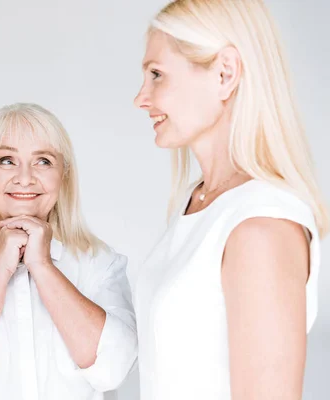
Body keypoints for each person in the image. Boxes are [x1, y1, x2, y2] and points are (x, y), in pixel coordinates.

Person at [132, 1, 329, 399]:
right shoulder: (202, 202)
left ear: (225, 73)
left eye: (157, 75)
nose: (141, 98)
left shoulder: (261, 226)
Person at [0, 102, 137, 400]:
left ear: (63, 176)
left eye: (43, 161)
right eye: (7, 160)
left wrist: (43, 265)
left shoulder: (100, 264)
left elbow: (114, 370)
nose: (25, 178)